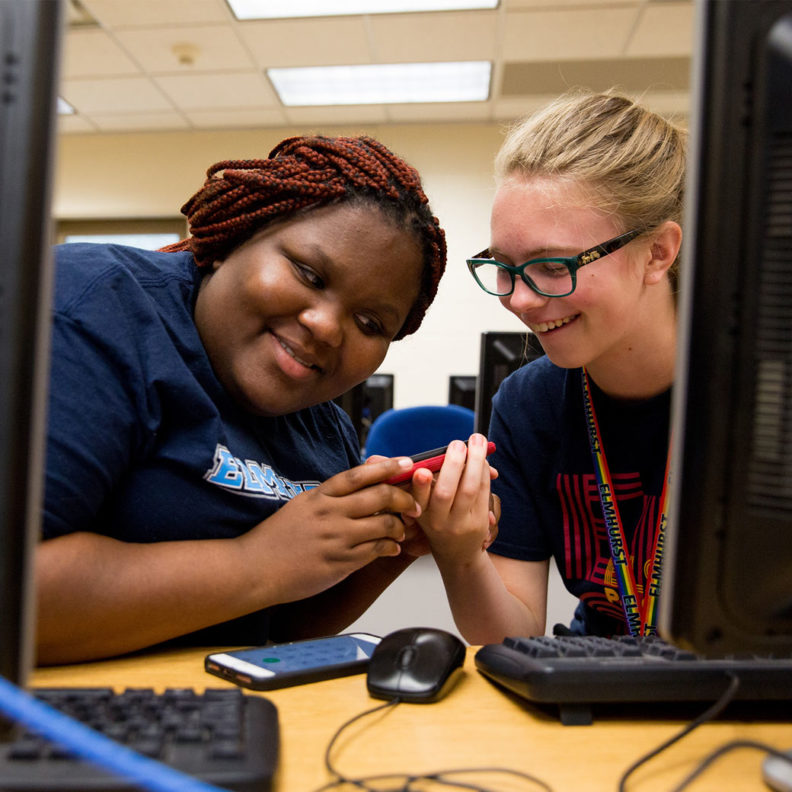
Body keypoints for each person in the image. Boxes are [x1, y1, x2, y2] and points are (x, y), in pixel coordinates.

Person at [36, 134, 466, 665]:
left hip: (208, 718)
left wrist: (387, 544)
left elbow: (276, 615)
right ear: (233, 239)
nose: (327, 327)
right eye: (309, 274)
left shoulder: (321, 425)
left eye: (370, 322)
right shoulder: (91, 308)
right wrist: (255, 563)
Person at [416, 89, 686, 643]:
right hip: (596, 689)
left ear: (657, 253)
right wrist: (462, 555)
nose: (519, 300)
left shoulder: (764, 392)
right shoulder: (527, 404)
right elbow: (512, 639)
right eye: (503, 267)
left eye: (551, 265)